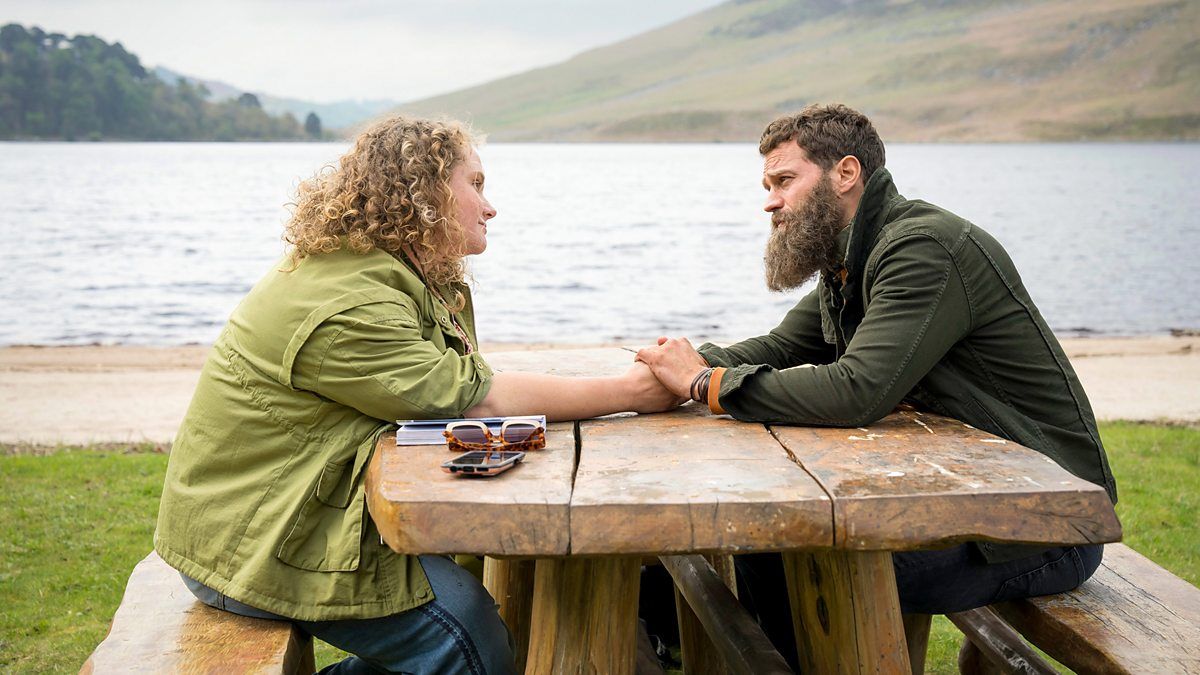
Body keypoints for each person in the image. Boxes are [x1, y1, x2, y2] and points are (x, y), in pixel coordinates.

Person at [154, 115, 679, 674]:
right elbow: (471, 397)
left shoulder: (388, 271)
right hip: (253, 544)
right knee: (464, 634)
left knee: (493, 607)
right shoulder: (349, 300)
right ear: (422, 191)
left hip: (286, 514)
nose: (490, 206)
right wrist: (629, 392)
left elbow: (455, 384)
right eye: (474, 184)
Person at [635, 103, 1117, 668]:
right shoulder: (853, 258)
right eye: (768, 185)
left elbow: (856, 390)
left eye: (784, 181)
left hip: (1049, 522)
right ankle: (661, 627)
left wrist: (702, 383)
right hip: (969, 498)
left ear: (845, 173)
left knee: (797, 557)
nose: (769, 201)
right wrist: (666, 368)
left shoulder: (921, 248)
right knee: (768, 546)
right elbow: (780, 347)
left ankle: (659, 630)